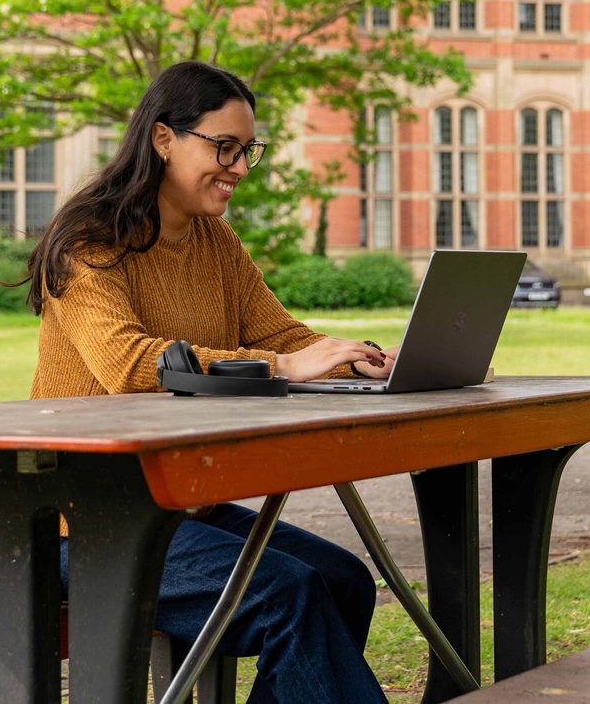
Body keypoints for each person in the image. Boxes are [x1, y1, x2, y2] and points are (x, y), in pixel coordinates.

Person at [24, 61, 393, 704]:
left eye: (247, 150)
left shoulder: (214, 240)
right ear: (165, 139)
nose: (240, 168)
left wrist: (357, 358)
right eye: (225, 147)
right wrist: (285, 366)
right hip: (88, 518)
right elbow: (129, 366)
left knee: (344, 580)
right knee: (289, 594)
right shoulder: (88, 242)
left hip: (177, 503)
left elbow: (278, 337)